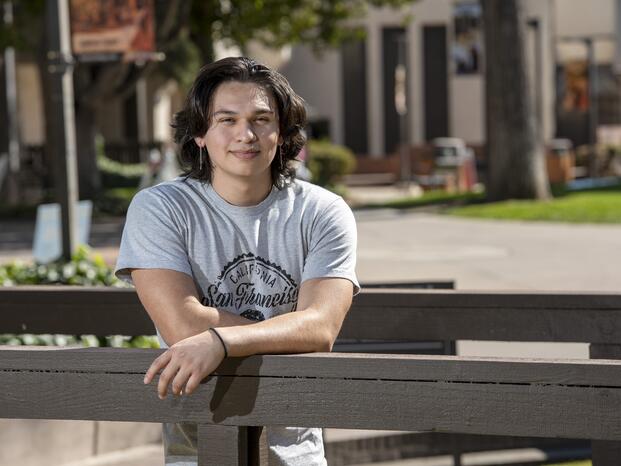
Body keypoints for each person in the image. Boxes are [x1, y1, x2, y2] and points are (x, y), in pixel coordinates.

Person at [114, 56, 359, 466]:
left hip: (296, 452)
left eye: (261, 119)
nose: (245, 135)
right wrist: (286, 332)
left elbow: (321, 328)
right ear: (200, 134)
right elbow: (181, 325)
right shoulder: (161, 208)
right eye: (226, 120)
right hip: (196, 446)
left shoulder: (322, 212)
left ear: (281, 132)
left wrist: (220, 340)